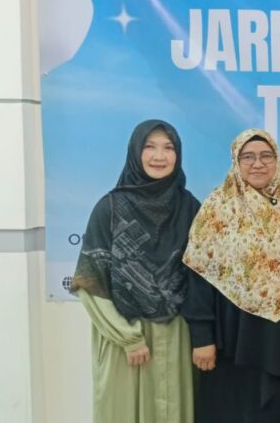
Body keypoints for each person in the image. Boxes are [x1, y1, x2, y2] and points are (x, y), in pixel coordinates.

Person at [181, 129, 280, 422]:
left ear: (277, 160)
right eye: (248, 157)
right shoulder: (217, 207)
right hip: (235, 336)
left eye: (266, 156)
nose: (258, 164)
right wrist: (202, 336)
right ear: (236, 161)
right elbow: (200, 275)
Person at [70, 120, 199, 423]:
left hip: (176, 335)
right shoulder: (110, 208)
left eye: (168, 148)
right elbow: (91, 282)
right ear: (135, 152)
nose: (159, 156)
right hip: (125, 335)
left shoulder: (190, 208)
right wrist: (128, 337)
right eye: (149, 146)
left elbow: (202, 277)